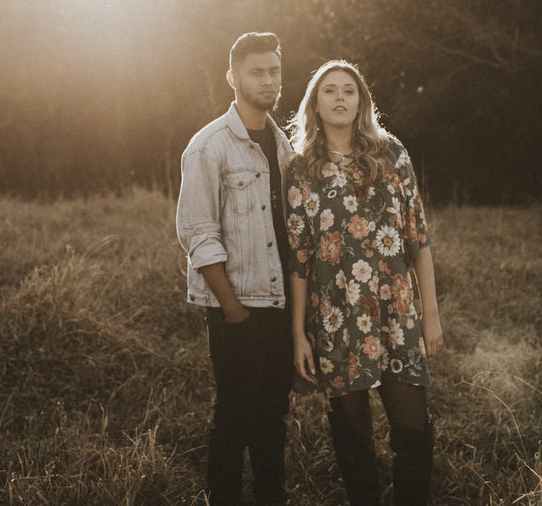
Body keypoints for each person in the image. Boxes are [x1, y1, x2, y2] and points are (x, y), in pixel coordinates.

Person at [285, 60, 443, 506]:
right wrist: (299, 334)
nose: (339, 97)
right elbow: (299, 259)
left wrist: (429, 314)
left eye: (348, 90)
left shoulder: (391, 154)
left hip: (397, 314)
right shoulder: (301, 170)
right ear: (315, 104)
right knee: (353, 438)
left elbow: (419, 239)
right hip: (337, 319)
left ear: (361, 101)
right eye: (329, 90)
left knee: (412, 430)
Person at [176, 32, 295, 506]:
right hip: (237, 307)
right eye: (256, 71)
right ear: (233, 78)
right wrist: (232, 309)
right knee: (233, 418)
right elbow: (197, 234)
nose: (268, 81)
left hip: (280, 304)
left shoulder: (284, 144)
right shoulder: (209, 147)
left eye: (274, 71)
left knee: (273, 418)